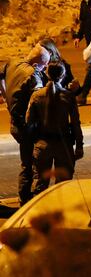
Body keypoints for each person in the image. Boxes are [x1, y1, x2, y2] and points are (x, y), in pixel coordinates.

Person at [26, 62, 84, 195]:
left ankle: (40, 213)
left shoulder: (36, 95)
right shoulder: (68, 96)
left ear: (46, 74)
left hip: (43, 144)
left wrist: (32, 142)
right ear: (63, 75)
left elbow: (29, 122)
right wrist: (79, 145)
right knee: (64, 185)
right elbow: (76, 123)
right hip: (63, 144)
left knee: (40, 185)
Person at [1, 45, 49, 203]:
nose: (45, 68)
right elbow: (40, 101)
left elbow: (1, 77)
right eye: (44, 65)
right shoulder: (33, 75)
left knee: (25, 162)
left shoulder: (13, 62)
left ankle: (24, 198)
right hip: (26, 126)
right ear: (36, 64)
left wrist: (6, 98)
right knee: (32, 164)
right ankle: (29, 201)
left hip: (14, 122)